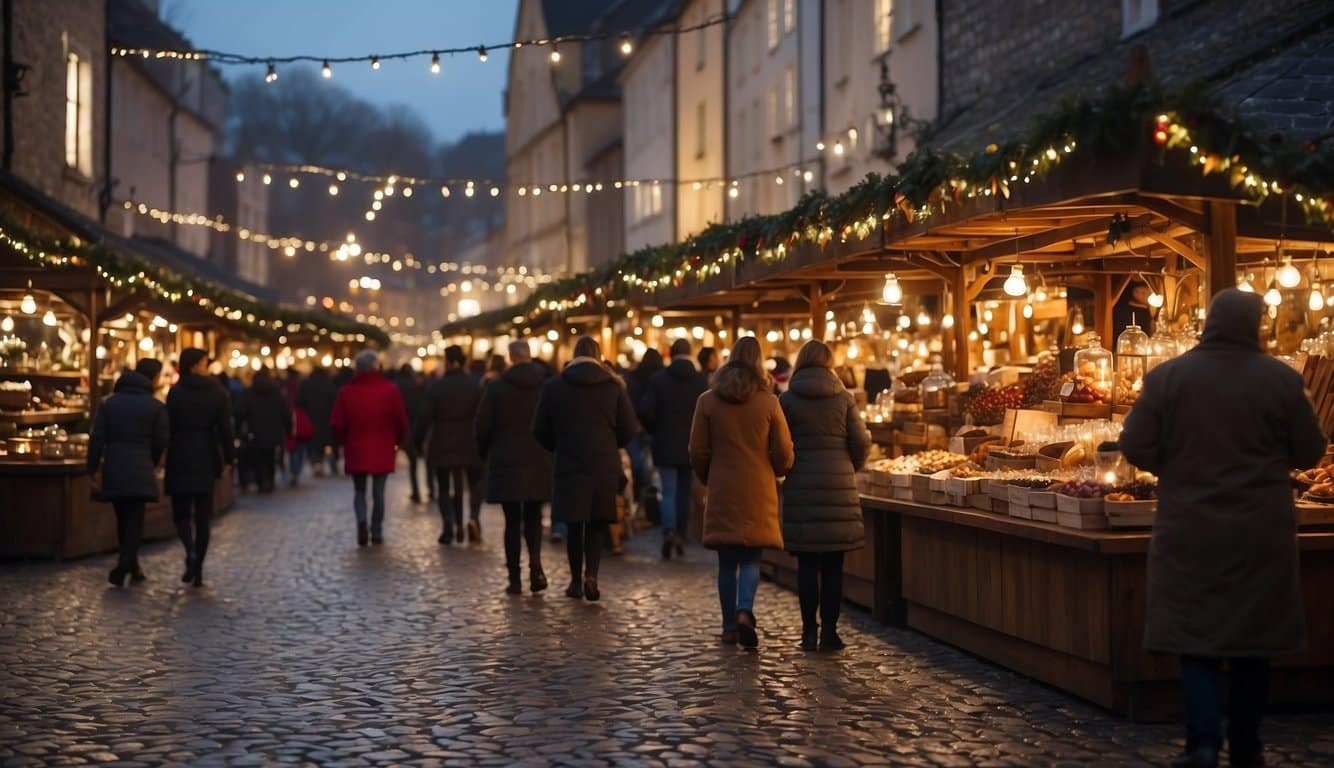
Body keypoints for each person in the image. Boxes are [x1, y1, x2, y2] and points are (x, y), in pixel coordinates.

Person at [1120, 289, 1326, 768]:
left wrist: (1174, 465)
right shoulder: (1280, 381)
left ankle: (1204, 743)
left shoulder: (1169, 377)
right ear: (1254, 325)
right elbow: (1311, 452)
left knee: (1196, 641)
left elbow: (1135, 445)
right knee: (1254, 642)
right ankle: (1248, 744)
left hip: (1190, 528)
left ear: (1210, 322)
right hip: (1261, 532)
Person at [689, 336, 793, 648]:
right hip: (758, 488)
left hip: (723, 486)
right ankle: (745, 610)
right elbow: (784, 451)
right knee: (751, 556)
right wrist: (776, 470)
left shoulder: (707, 401)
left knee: (726, 562)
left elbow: (697, 450)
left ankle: (727, 626)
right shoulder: (769, 403)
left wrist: (708, 476)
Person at [779, 340, 872, 651]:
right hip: (839, 483)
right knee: (834, 565)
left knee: (806, 564)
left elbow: (780, 445)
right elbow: (860, 442)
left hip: (801, 484)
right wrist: (849, 466)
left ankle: (808, 631)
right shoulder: (844, 398)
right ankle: (830, 631)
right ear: (829, 363)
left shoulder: (787, 400)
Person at [533, 336, 639, 602]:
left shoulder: (554, 385)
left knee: (573, 523)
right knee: (596, 522)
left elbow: (539, 429)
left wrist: (557, 445)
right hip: (603, 462)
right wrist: (609, 443)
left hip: (569, 460)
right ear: (599, 355)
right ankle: (592, 575)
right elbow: (629, 429)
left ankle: (575, 581)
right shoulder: (614, 386)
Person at [476, 341, 552, 595]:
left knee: (512, 522)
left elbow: (483, 425)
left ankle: (515, 578)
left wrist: (484, 452)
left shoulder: (497, 387)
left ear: (511, 357)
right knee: (534, 517)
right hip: (539, 458)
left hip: (506, 459)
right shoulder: (546, 385)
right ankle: (536, 566)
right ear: (529, 357)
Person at [88, 358, 169, 587]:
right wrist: (151, 461)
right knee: (135, 518)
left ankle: (129, 564)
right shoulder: (155, 406)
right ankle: (127, 563)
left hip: (115, 466)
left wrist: (92, 469)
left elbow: (97, 438)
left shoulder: (108, 404)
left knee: (123, 517)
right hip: (141, 465)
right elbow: (162, 440)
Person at [164, 349, 235, 588]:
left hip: (180, 453)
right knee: (203, 517)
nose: (207, 368)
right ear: (194, 366)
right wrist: (229, 458)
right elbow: (226, 428)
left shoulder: (175, 393)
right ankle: (199, 568)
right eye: (205, 363)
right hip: (206, 453)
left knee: (181, 513)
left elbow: (168, 426)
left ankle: (190, 551)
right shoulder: (217, 392)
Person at [332, 349, 409, 547]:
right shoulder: (390, 390)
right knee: (379, 493)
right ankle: (376, 529)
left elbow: (337, 423)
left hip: (356, 447)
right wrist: (398, 441)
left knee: (359, 491)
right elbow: (401, 420)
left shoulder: (346, 392)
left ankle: (361, 522)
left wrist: (343, 442)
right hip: (382, 447)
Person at [639, 338, 708, 560]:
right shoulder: (699, 381)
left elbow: (646, 410)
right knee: (684, 493)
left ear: (671, 353)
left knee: (668, 491)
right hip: (691, 444)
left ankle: (667, 530)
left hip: (665, 442)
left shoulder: (658, 379)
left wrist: (655, 430)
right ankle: (680, 533)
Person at [415, 345, 483, 545]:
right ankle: (473, 517)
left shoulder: (437, 386)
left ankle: (448, 524)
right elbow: (484, 414)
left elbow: (424, 417)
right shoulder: (475, 385)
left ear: (447, 362)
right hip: (470, 441)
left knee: (444, 485)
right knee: (475, 481)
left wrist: (418, 441)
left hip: (443, 441)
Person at [236, 368, 291, 493]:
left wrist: (239, 430)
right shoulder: (276, 392)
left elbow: (240, 411)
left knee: (258, 458)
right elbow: (286, 413)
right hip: (273, 431)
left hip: (255, 431)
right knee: (270, 458)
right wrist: (287, 430)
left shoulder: (249, 392)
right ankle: (269, 481)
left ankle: (261, 481)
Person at [624, 348, 663, 509]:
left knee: (637, 464)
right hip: (655, 428)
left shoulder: (631, 378)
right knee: (653, 467)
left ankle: (640, 500)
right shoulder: (660, 378)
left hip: (634, 426)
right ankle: (649, 502)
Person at [394, 363, 430, 504]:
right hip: (414, 427)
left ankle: (416, 490)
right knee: (414, 461)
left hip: (399, 427)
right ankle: (419, 489)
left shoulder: (396, 386)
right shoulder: (417, 386)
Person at [298, 366, 338, 476]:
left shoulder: (306, 385)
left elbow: (299, 402)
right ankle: (332, 463)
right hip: (327, 419)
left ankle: (317, 464)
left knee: (313, 445)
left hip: (311, 418)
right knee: (329, 443)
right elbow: (335, 401)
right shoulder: (329, 384)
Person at [284, 367, 312, 487]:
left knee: (293, 446)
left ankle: (294, 471)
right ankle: (296, 471)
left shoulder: (285, 386)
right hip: (300, 417)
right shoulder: (301, 386)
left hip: (291, 417)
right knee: (299, 446)